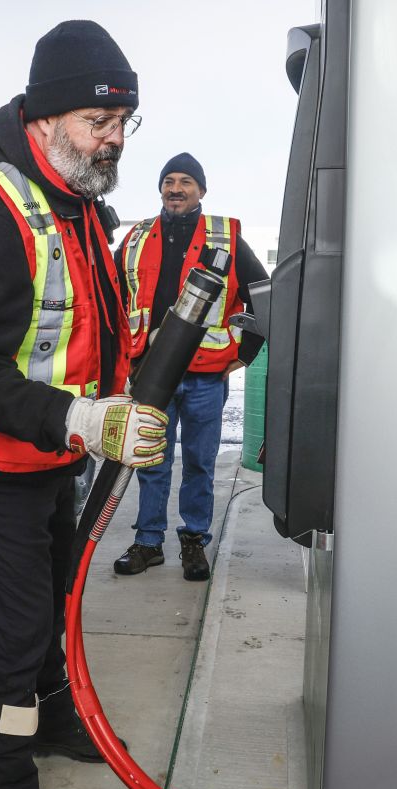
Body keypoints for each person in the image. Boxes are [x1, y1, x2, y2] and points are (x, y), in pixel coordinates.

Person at [0, 20, 163, 789]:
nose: (117, 139)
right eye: (102, 123)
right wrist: (87, 420)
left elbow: (88, 331)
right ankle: (10, 776)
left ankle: (56, 721)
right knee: (17, 636)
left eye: (126, 123)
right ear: (49, 118)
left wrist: (116, 398)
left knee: (54, 604)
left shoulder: (78, 202)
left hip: (50, 456)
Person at [113, 153, 268, 581]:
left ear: (201, 190)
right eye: (168, 181)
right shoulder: (137, 236)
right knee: (150, 462)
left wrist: (246, 353)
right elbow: (108, 296)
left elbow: (264, 295)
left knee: (200, 463)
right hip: (150, 373)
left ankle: (194, 542)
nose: (175, 188)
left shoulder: (226, 237)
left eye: (185, 181)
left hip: (205, 376)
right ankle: (148, 542)